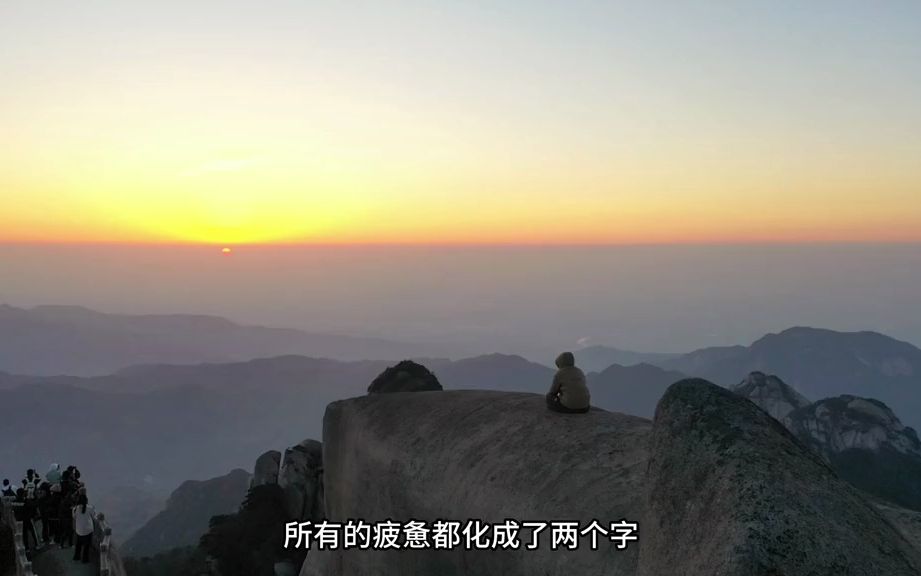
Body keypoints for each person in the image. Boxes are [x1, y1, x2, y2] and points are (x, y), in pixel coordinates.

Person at [72, 493, 94, 563]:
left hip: (79, 530)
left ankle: (76, 557)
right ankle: (85, 559)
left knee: (78, 545)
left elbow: (74, 517)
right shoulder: (90, 508)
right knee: (86, 546)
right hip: (88, 530)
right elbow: (93, 515)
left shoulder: (75, 509)